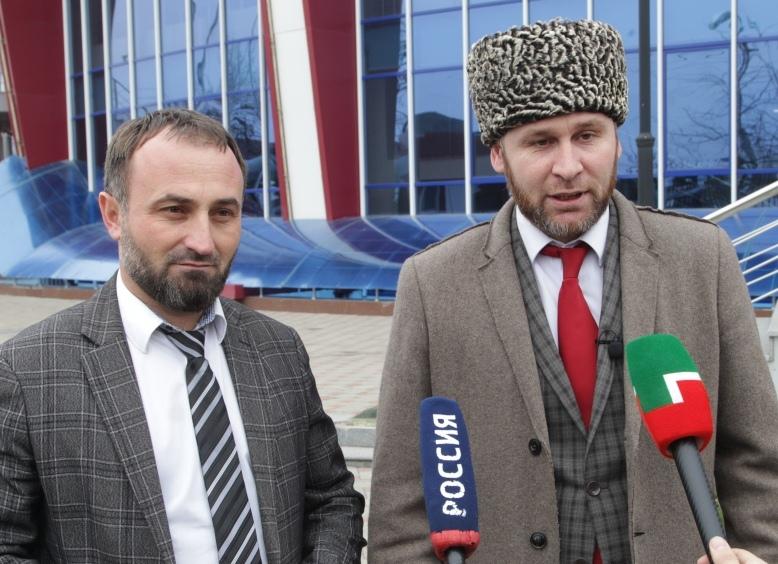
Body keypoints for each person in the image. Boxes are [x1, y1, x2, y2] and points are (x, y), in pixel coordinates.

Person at [369, 19, 778, 563]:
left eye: (587, 135)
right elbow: (401, 502)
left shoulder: (703, 258)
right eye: (540, 142)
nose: (568, 166)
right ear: (498, 154)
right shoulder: (432, 283)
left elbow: (757, 462)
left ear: (616, 139)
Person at [0, 108, 365, 563]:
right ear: (113, 215)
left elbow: (332, 500)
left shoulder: (279, 349)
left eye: (223, 213)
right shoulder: (28, 371)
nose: (203, 241)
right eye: (175, 210)